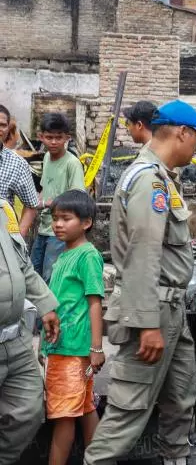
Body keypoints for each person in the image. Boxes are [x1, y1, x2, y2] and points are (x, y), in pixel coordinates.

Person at [84, 100, 196, 465]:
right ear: (182, 133)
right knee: (129, 411)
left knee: (180, 399)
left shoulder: (160, 177)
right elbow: (142, 254)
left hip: (170, 309)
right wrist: (147, 325)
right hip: (154, 310)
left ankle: (176, 459)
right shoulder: (148, 181)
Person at [42, 190, 104, 465]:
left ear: (86, 223)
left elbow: (94, 304)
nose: (57, 224)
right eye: (55, 218)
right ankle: (99, 459)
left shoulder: (86, 256)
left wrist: (96, 348)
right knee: (84, 406)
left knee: (63, 415)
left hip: (72, 350)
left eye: (66, 219)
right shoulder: (65, 254)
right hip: (64, 348)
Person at [0, 197, 60, 465]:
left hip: (15, 339)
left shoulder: (3, 208)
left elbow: (23, 265)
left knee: (28, 411)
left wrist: (46, 305)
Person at [32, 113, 85, 282]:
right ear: (41, 137)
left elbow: (77, 198)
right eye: (49, 137)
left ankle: (53, 309)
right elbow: (44, 187)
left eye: (58, 137)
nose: (53, 142)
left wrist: (49, 203)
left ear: (67, 138)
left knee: (51, 276)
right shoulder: (47, 157)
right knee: (33, 274)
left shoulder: (72, 163)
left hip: (59, 230)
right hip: (43, 227)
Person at [0, 105, 40, 238]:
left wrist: (17, 238)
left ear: (7, 129)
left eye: (2, 125)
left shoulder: (17, 164)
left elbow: (31, 204)